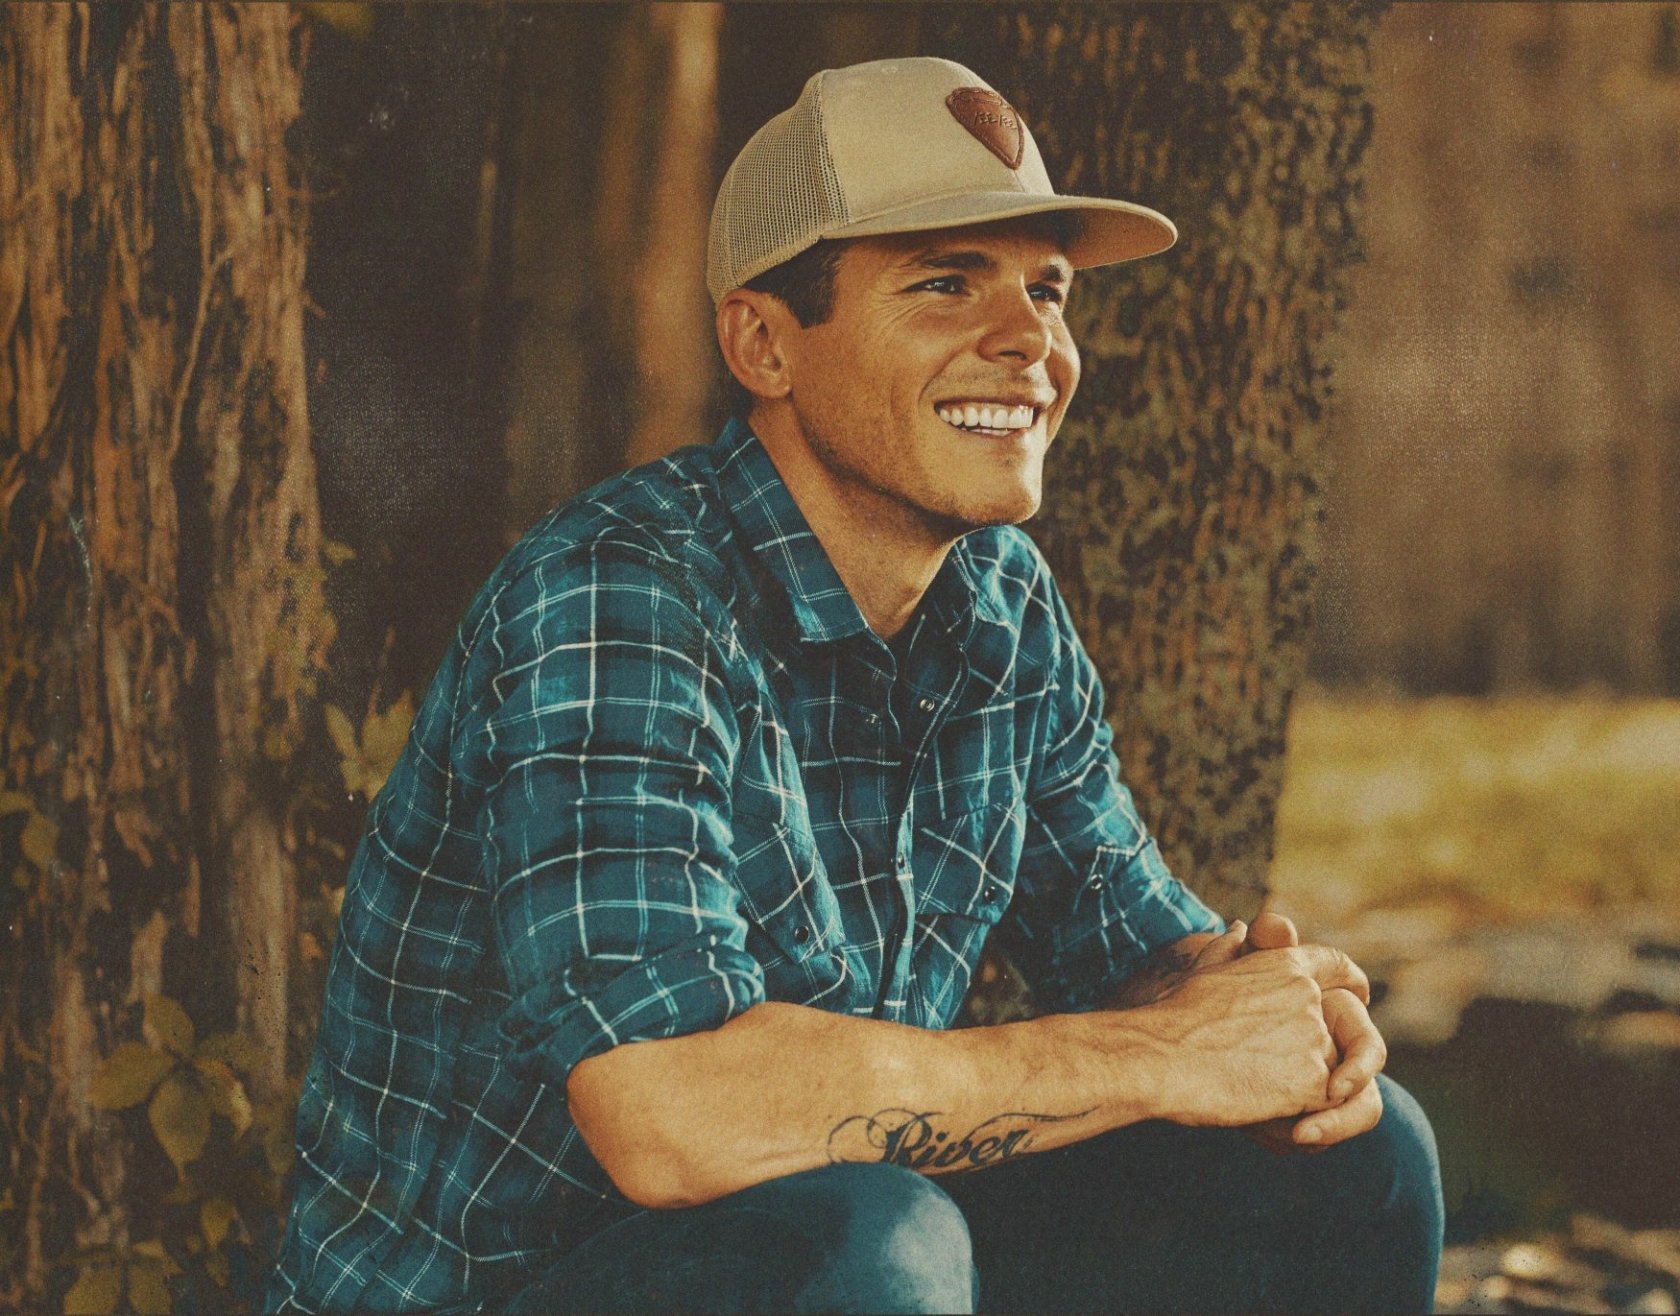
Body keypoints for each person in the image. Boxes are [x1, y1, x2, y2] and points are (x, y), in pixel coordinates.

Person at [266, 56, 1443, 1315]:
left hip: (814, 1245)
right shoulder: (619, 595)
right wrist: (1163, 1052)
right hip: (508, 1287)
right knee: (871, 1242)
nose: (1031, 342)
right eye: (945, 282)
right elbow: (669, 1113)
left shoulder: (999, 602)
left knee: (1360, 1158)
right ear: (765, 342)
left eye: (1045, 289)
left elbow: (1137, 950)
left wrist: (1272, 1015)